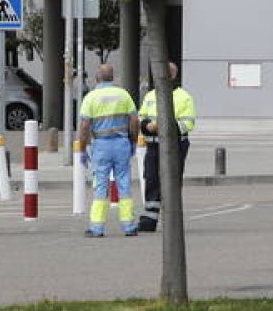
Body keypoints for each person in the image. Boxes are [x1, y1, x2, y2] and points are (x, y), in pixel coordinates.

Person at [78, 63, 139, 237]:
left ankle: (97, 227)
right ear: (113, 77)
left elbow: (84, 126)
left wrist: (82, 149)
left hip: (102, 146)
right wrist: (133, 140)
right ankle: (128, 225)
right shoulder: (123, 94)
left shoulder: (91, 97)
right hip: (121, 144)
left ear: (97, 77)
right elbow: (134, 120)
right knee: (124, 183)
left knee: (101, 186)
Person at [137, 62, 196, 232]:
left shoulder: (183, 97)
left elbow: (188, 123)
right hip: (153, 145)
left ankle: (172, 220)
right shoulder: (150, 96)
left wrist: (163, 126)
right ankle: (149, 220)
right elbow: (142, 117)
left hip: (174, 146)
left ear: (170, 76)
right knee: (151, 180)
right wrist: (146, 125)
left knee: (171, 182)